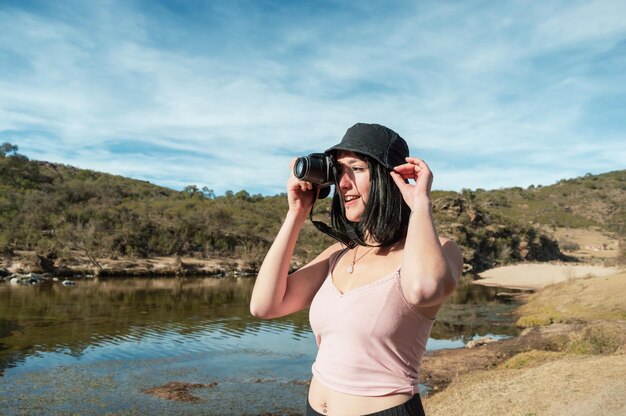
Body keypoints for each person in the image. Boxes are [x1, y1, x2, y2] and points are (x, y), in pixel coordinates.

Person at [250, 123, 463, 416]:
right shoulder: (338, 254)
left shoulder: (441, 249)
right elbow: (264, 306)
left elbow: (424, 289)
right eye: (339, 172)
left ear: (391, 177)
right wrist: (296, 214)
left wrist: (420, 203)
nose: (344, 183)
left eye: (357, 169)